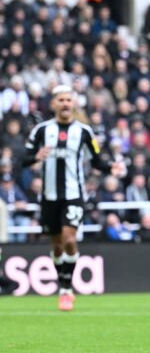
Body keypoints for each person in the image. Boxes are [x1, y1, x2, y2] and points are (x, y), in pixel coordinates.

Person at [22, 85, 125, 311]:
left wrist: (111, 167)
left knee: (69, 239)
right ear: (53, 104)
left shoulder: (84, 132)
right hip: (49, 197)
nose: (65, 103)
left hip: (73, 194)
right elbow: (23, 158)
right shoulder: (41, 130)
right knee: (57, 245)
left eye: (69, 99)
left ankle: (66, 290)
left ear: (74, 103)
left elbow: (96, 161)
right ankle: (64, 285)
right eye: (61, 100)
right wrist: (35, 157)